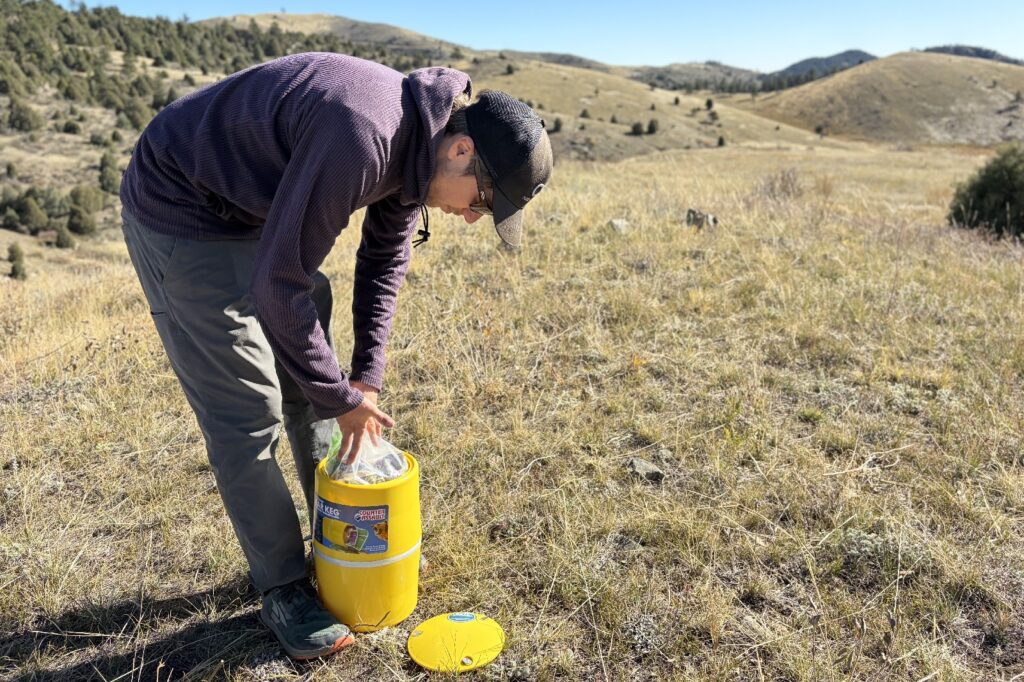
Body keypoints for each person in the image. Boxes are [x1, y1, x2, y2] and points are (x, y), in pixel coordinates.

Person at [119, 52, 552, 660]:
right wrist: (339, 396)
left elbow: (381, 264)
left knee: (314, 375)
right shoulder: (362, 134)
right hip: (181, 204)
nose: (472, 216)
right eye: (481, 200)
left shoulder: (417, 149)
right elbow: (278, 284)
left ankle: (336, 533)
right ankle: (285, 587)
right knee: (248, 409)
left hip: (251, 208)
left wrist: (362, 383)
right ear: (460, 151)